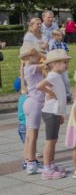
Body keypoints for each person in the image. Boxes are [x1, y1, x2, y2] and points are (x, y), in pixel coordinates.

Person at [37, 49, 72, 180]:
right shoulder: (52, 75)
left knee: (54, 140)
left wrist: (60, 114)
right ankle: (47, 170)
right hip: (50, 112)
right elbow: (39, 86)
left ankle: (51, 165)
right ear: (54, 64)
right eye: (64, 62)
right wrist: (50, 93)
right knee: (50, 142)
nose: (66, 65)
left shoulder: (57, 75)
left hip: (54, 112)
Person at [21, 44, 45, 174]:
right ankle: (31, 163)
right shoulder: (33, 67)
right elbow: (49, 63)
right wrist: (41, 54)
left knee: (30, 135)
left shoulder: (27, 67)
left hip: (30, 102)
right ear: (31, 56)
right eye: (36, 55)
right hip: (35, 103)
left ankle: (28, 160)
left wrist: (37, 53)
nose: (40, 56)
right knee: (33, 135)